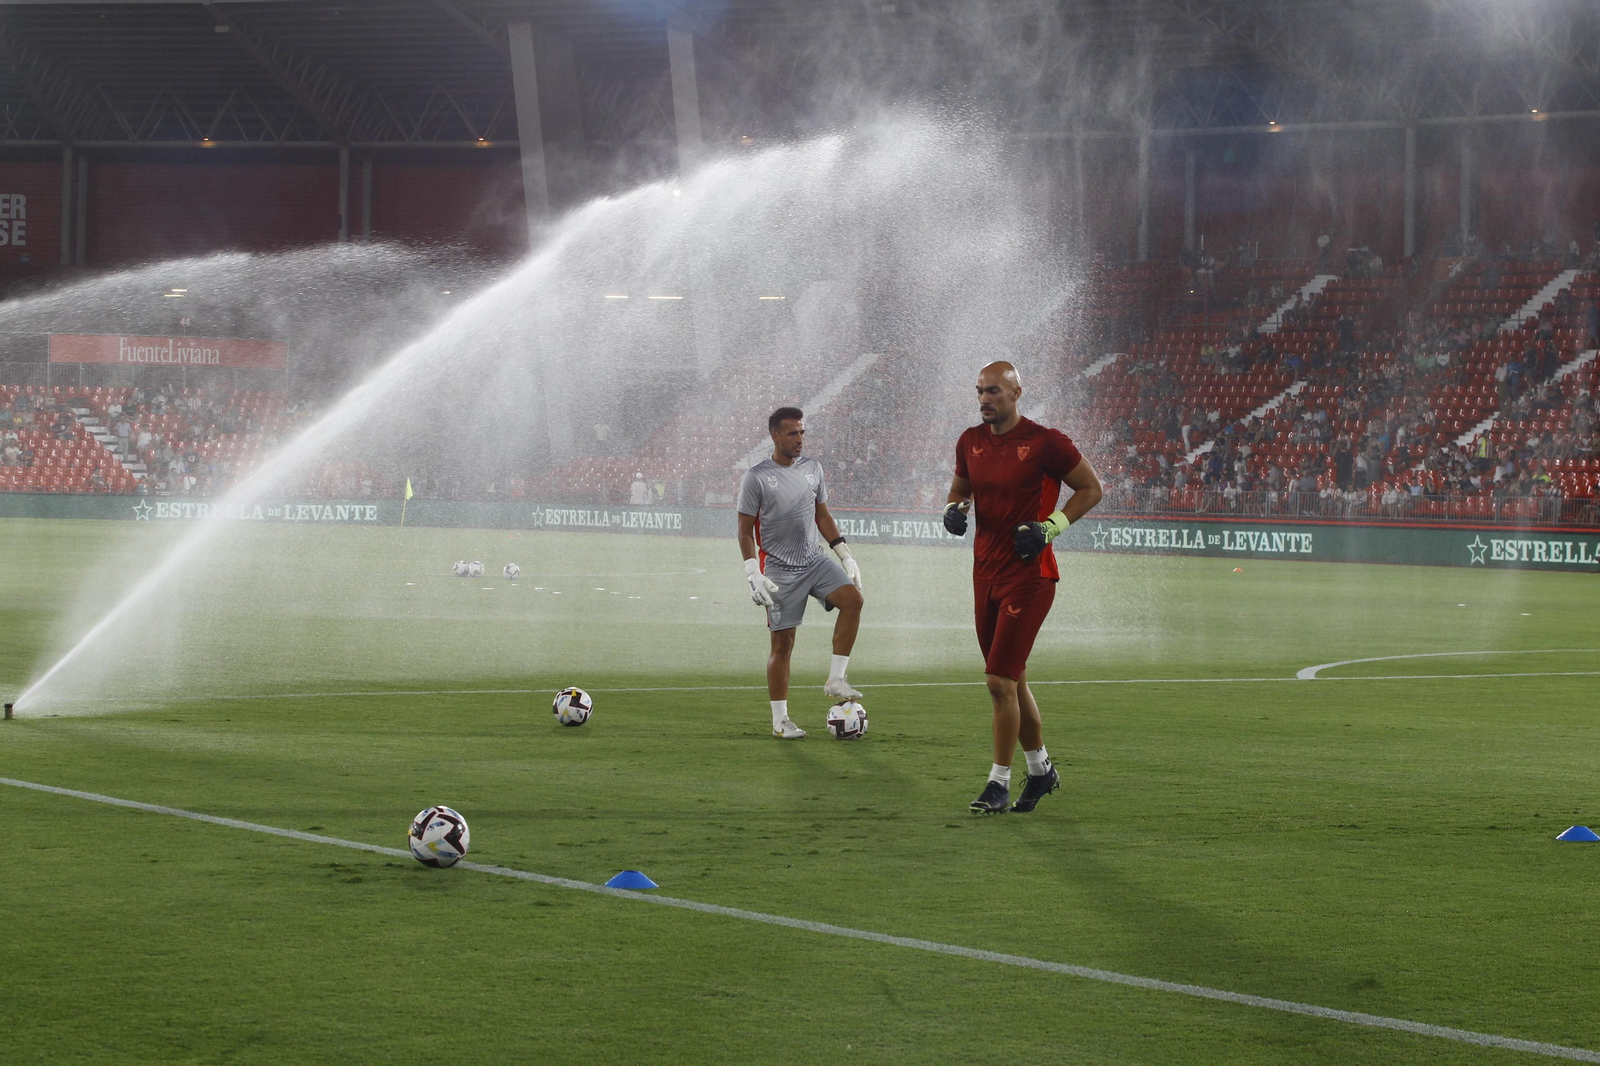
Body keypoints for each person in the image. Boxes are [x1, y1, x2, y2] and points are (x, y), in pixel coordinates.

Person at [943, 362, 1102, 814]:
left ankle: (998, 783)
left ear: (1016, 393)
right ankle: (1040, 770)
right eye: (979, 391)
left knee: (999, 681)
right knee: (1012, 681)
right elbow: (960, 491)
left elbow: (1091, 488)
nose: (984, 399)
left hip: (1030, 577)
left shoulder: (1046, 442)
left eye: (993, 391)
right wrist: (953, 510)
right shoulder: (970, 441)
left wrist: (1050, 527)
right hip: (984, 574)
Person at [736, 406, 865, 739]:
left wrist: (844, 554)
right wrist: (752, 572)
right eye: (792, 433)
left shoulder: (813, 468)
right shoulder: (756, 477)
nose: (800, 439)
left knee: (853, 600)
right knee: (783, 644)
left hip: (814, 561)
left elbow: (822, 515)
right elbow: (744, 530)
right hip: (779, 571)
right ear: (775, 436)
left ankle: (836, 679)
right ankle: (780, 720)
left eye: (802, 432)